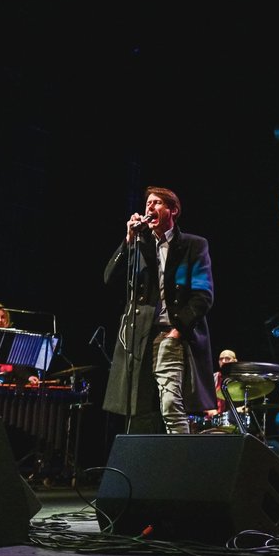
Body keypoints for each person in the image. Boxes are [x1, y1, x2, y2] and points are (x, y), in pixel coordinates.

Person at [103, 186, 214, 435]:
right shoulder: (139, 244)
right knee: (137, 409)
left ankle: (181, 464)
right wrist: (129, 240)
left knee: (170, 404)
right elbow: (110, 279)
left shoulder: (193, 246)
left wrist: (178, 330)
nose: (149, 207)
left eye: (157, 203)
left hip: (170, 333)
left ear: (172, 210)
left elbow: (203, 295)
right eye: (148, 203)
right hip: (138, 336)